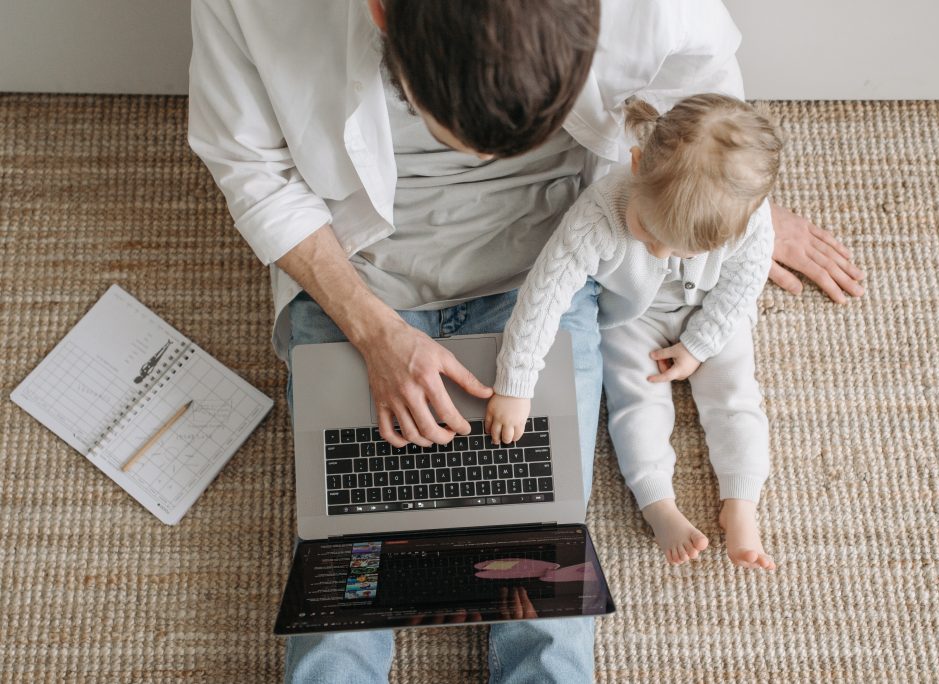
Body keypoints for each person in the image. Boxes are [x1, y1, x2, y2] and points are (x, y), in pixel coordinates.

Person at [188, 1, 864, 680]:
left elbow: (699, 81)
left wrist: (724, 207)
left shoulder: (654, 10)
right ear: (383, 15)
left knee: (542, 560)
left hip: (546, 270)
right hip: (357, 272)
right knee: (348, 569)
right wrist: (372, 331)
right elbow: (252, 171)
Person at [487, 94, 780, 569]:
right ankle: (658, 502)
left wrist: (699, 345)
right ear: (637, 163)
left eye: (682, 250)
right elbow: (544, 295)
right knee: (636, 401)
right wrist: (515, 385)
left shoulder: (749, 221)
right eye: (648, 230)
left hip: (714, 309)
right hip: (632, 317)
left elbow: (744, 284)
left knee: (737, 396)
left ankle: (740, 503)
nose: (662, 254)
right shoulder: (597, 215)